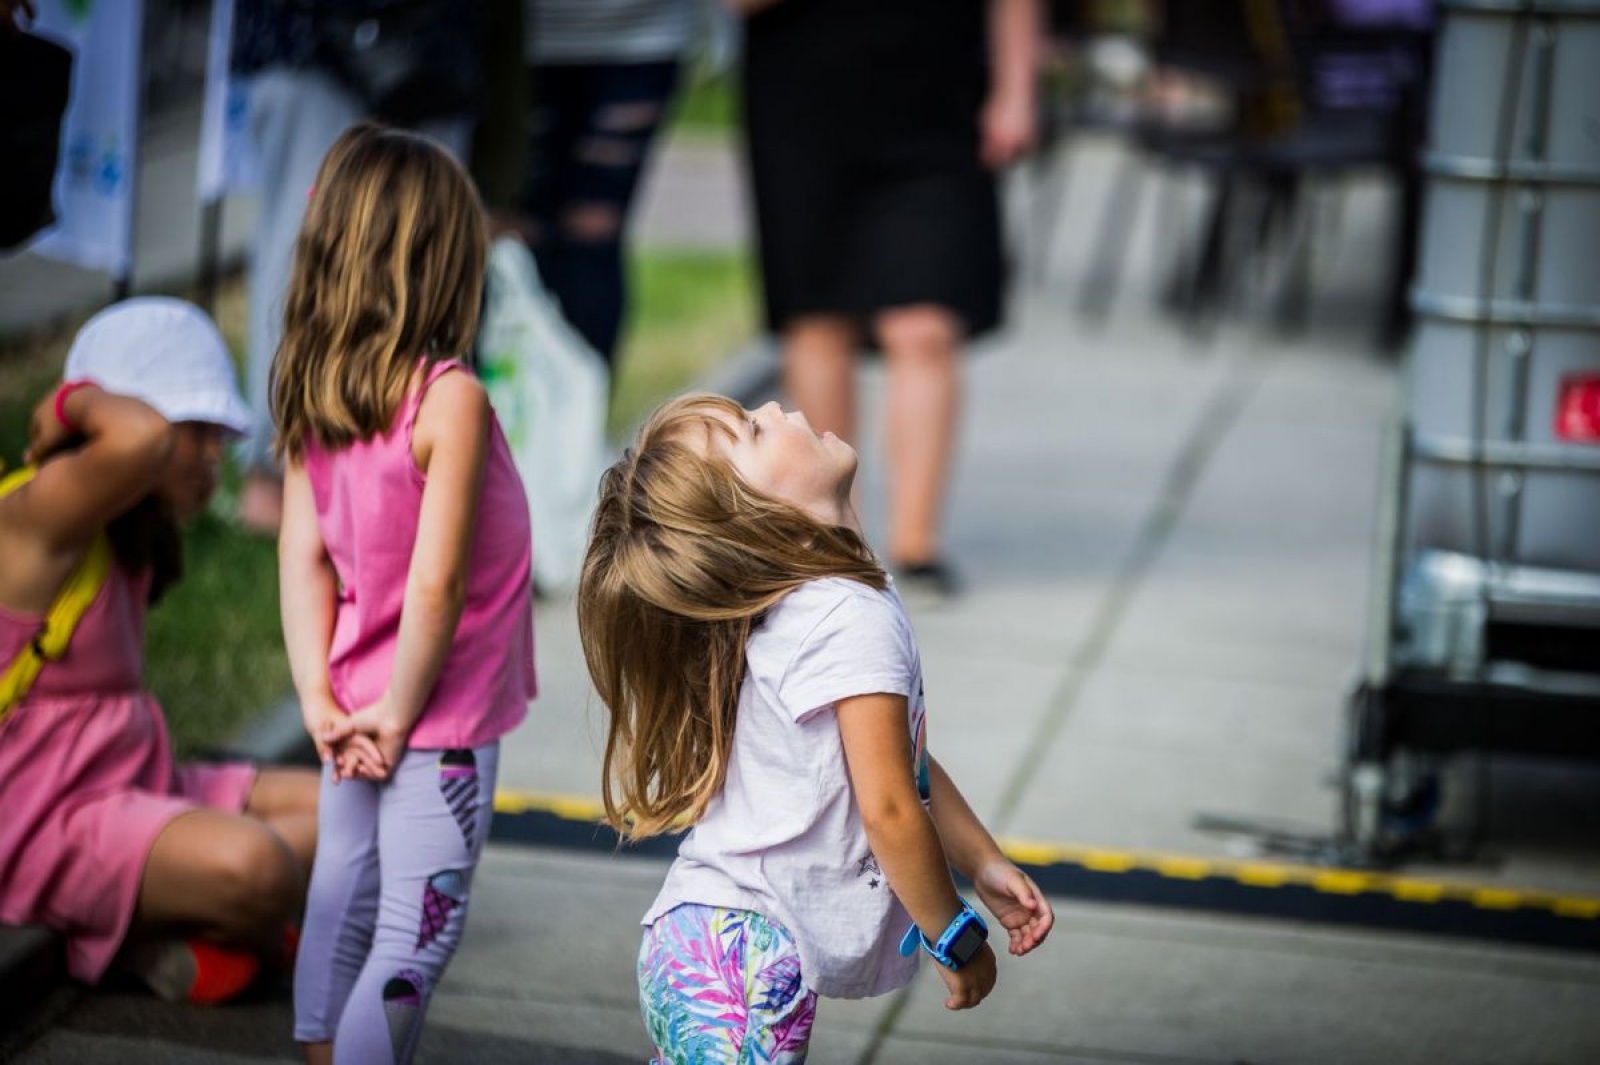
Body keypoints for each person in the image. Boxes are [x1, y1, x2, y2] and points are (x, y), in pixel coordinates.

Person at [577, 392, 1055, 1061]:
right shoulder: (846, 617)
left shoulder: (830, 601)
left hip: (718, 940)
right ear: (756, 516)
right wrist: (953, 932)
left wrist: (982, 860)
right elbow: (888, 807)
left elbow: (903, 768)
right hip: (738, 955)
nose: (772, 407)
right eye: (751, 429)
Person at [272, 123, 536, 1065]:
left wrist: (319, 700)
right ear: (444, 265)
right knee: (411, 940)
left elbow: (304, 558)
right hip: (436, 716)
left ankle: (319, 1051)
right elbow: (439, 581)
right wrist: (400, 713)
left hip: (350, 705)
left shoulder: (312, 388)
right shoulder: (446, 397)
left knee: (340, 895)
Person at [0, 297, 319, 1005]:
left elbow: (143, 438)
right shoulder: (37, 515)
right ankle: (196, 925)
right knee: (259, 869)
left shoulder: (131, 530)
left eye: (219, 430)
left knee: (354, 813)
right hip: (40, 823)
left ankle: (187, 926)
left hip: (138, 785)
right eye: (195, 428)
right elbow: (139, 438)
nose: (215, 452)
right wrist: (68, 399)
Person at [735, 0, 1042, 600]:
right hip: (802, 99)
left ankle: (918, 544)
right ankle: (833, 537)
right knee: (820, 322)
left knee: (925, 325)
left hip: (940, 102)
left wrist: (1017, 86)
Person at [229, 0, 484, 534]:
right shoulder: (460, 401)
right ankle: (271, 481)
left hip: (433, 49)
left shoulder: (452, 401)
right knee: (295, 243)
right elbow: (436, 591)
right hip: (306, 38)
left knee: (412, 225)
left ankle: (384, 469)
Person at [511, 0, 697, 366]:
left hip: (638, 32)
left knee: (592, 236)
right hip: (521, 37)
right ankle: (507, 405)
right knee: (515, 241)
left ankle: (585, 409)